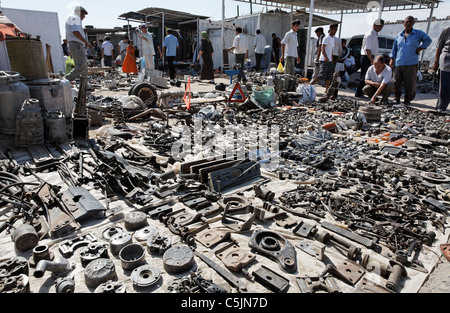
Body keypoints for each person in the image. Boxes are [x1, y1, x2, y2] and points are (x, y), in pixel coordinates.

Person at [390, 16, 432, 105]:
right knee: (396, 82)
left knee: (409, 83)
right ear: (403, 23)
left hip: (411, 63)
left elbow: (428, 40)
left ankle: (407, 100)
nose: (408, 23)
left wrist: (420, 48)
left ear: (413, 23)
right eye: (406, 22)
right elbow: (394, 48)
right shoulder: (399, 35)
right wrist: (392, 59)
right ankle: (396, 98)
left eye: (410, 21)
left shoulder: (418, 33)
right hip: (398, 62)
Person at [355, 18, 385, 97]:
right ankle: (358, 93)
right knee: (365, 75)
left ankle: (362, 92)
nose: (380, 28)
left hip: (371, 56)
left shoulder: (375, 34)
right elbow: (367, 49)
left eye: (381, 27)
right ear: (374, 25)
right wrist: (372, 60)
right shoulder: (370, 35)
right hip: (367, 57)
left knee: (369, 75)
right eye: (379, 26)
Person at [64, 6, 92, 82]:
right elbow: (75, 32)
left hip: (75, 44)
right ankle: (66, 80)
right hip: (76, 44)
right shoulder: (75, 18)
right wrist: (86, 43)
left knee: (84, 66)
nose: (84, 17)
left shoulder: (72, 18)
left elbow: (68, 35)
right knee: (82, 65)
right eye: (83, 14)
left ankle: (85, 84)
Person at [433, 26, 450, 113]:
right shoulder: (447, 30)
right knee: (444, 87)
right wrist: (436, 62)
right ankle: (441, 107)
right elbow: (439, 46)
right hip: (446, 62)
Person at [318, 24, 338, 94]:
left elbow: (331, 50)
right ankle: (311, 84)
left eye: (336, 29)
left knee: (329, 76)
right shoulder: (326, 38)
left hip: (329, 60)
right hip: (324, 59)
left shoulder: (333, 39)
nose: (335, 30)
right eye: (334, 29)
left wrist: (331, 59)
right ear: (330, 29)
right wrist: (326, 57)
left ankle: (327, 90)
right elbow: (322, 48)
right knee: (321, 75)